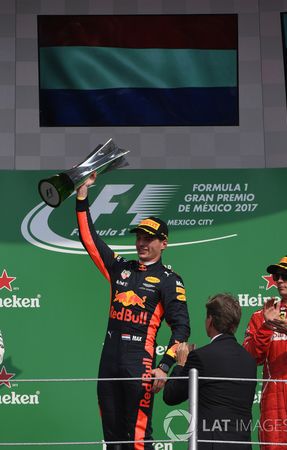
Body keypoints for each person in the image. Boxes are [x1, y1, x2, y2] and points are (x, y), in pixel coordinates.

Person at [76, 172, 190, 450]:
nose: (142, 243)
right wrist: (82, 197)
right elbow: (90, 240)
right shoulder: (120, 269)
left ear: (164, 243)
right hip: (109, 361)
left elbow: (182, 328)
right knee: (112, 440)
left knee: (137, 438)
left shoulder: (168, 280)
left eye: (149, 238)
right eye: (139, 237)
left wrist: (164, 366)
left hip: (139, 363)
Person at [163, 293, 257, 450]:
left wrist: (180, 363)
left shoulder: (200, 357)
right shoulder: (249, 360)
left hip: (211, 444)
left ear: (211, 320)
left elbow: (171, 396)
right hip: (242, 444)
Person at [243, 255, 287, 450]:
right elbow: (250, 358)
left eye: (285, 275)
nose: (280, 281)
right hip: (272, 403)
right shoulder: (262, 315)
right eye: (276, 276)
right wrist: (267, 326)